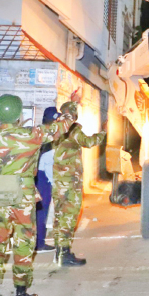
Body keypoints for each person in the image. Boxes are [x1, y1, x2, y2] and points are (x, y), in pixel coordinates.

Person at [0, 95, 72, 296]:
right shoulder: (31, 135)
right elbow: (63, 126)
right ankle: (21, 294)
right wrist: (71, 107)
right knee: (24, 243)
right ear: (19, 116)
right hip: (22, 193)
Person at [52, 100, 106, 266]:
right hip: (70, 181)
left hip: (59, 180)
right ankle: (64, 255)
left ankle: (59, 252)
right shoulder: (72, 129)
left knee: (60, 215)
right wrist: (103, 131)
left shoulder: (56, 128)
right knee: (69, 216)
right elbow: (89, 142)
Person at [34, 106, 59, 252]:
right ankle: (39, 243)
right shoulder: (48, 138)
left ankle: (37, 242)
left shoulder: (37, 131)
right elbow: (46, 162)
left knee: (37, 210)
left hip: (35, 174)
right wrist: (53, 182)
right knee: (41, 210)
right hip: (42, 177)